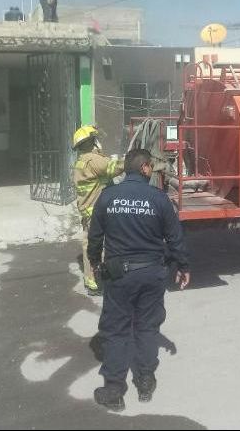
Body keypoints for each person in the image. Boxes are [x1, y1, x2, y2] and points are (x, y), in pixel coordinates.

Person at [87, 148, 189, 411]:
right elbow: (175, 237)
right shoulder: (158, 198)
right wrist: (182, 265)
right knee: (147, 326)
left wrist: (95, 264)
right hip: (152, 274)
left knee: (116, 329)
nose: (152, 170)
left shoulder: (108, 196)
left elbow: (95, 237)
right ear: (144, 168)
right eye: (151, 167)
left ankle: (113, 389)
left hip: (119, 275)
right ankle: (145, 381)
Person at [73, 126, 124, 296]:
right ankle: (98, 280)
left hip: (88, 212)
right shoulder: (93, 160)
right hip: (96, 213)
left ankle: (92, 282)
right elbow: (114, 168)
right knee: (98, 248)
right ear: (91, 142)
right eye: (96, 139)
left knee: (91, 246)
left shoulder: (82, 161)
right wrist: (131, 159)